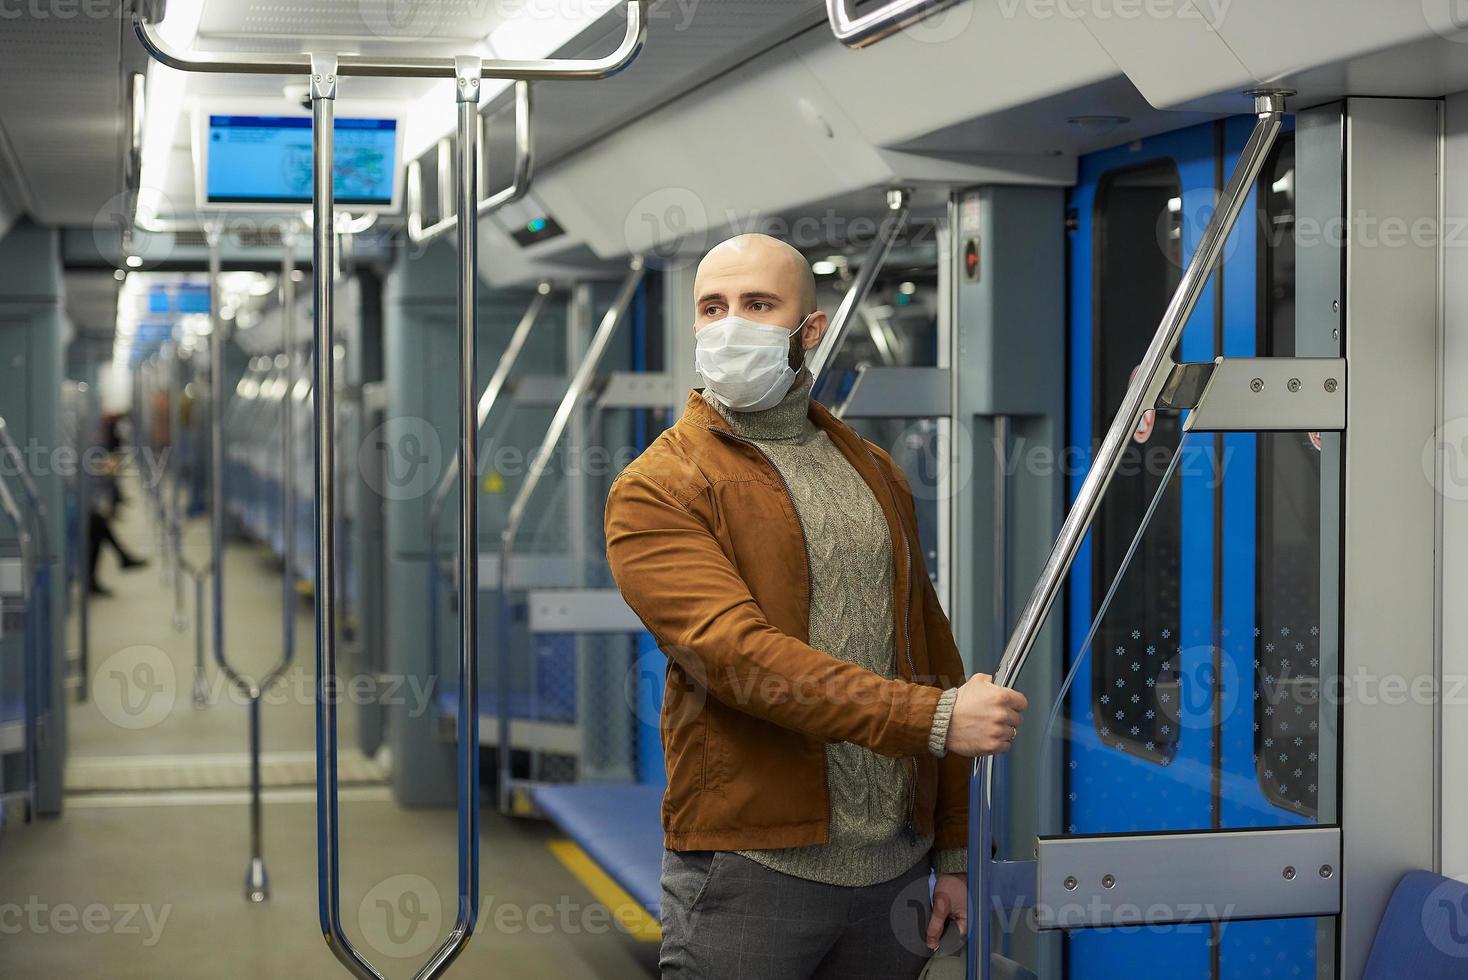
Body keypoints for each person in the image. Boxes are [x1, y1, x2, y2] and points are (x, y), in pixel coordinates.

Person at [604, 234, 1029, 980]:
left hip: (893, 867)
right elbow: (737, 657)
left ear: (811, 329)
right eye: (713, 308)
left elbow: (930, 656)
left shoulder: (872, 469)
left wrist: (953, 851)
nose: (731, 325)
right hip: (752, 863)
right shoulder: (659, 486)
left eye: (759, 305)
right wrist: (930, 721)